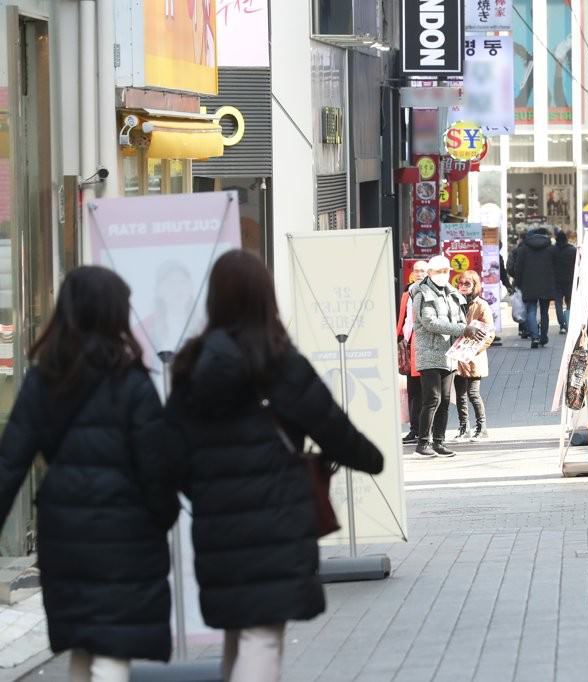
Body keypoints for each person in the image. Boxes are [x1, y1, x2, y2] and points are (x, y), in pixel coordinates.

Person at [165, 250, 384, 681]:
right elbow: (331, 426)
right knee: (262, 635)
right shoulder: (279, 360)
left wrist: (205, 488)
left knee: (238, 634)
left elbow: (170, 451)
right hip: (279, 518)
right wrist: (370, 459)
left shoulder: (191, 365)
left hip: (217, 523)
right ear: (265, 297)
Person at [0, 267, 179, 680]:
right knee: (112, 651)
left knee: (83, 645)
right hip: (126, 534)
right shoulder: (132, 382)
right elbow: (158, 466)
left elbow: (10, 463)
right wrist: (162, 516)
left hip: (63, 533)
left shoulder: (43, 379)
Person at [413, 255, 488, 458]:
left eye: (446, 271)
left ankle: (439, 441)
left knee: (445, 400)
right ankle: (423, 443)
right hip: (429, 353)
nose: (443, 274)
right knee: (432, 399)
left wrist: (467, 331)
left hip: (450, 354)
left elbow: (461, 319)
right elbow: (430, 322)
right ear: (430, 273)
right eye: (439, 271)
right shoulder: (422, 292)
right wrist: (463, 329)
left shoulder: (452, 293)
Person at [454, 270, 495, 442]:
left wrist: (472, 351)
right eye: (461, 283)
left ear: (474, 286)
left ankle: (482, 428)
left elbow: (489, 334)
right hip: (457, 356)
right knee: (460, 395)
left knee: (473, 393)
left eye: (467, 284)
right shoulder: (454, 302)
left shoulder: (481, 305)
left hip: (473, 358)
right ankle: (464, 428)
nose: (463, 286)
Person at [397, 260, 428, 444]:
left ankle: (425, 430)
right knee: (412, 390)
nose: (419, 274)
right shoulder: (407, 292)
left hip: (424, 345)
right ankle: (414, 429)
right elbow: (403, 318)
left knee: (426, 391)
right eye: (416, 271)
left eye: (423, 271)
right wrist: (399, 337)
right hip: (409, 345)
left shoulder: (431, 291)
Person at [513, 227, 557, 348]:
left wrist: (517, 283)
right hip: (546, 284)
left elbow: (518, 268)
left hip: (529, 284)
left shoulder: (524, 249)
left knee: (531, 310)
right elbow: (556, 267)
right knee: (544, 312)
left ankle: (535, 337)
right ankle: (544, 337)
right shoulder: (550, 249)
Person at [553, 230, 577, 335]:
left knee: (558, 303)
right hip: (570, 281)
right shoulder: (572, 250)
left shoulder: (552, 250)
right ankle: (568, 323)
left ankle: (562, 325)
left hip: (556, 281)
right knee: (569, 303)